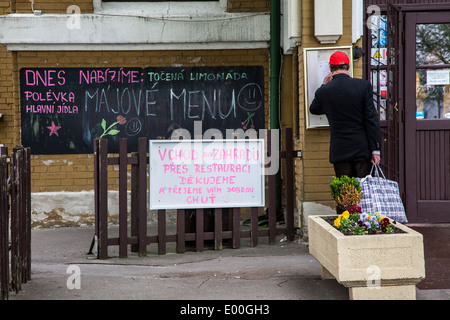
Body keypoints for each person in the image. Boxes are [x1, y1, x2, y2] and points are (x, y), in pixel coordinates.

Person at [309, 51, 381, 178]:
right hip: (362, 148)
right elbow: (371, 119)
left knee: (345, 193)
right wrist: (375, 149)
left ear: (330, 68)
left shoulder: (324, 91)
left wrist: (323, 85)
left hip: (340, 150)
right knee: (363, 192)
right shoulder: (363, 86)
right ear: (348, 66)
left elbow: (314, 109)